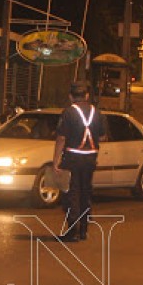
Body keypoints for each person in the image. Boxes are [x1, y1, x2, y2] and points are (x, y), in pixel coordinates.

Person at [52, 81, 105, 243]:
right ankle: (84, 230)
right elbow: (103, 136)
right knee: (85, 192)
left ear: (70, 96)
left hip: (73, 158)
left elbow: (61, 138)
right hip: (90, 158)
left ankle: (72, 230)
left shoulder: (68, 113)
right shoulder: (97, 113)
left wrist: (56, 160)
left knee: (72, 193)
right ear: (87, 95)